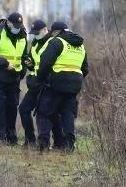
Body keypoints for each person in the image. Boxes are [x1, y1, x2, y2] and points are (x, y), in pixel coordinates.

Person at [35, 21, 89, 152]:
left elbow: (45, 63)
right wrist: (74, 79)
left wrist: (41, 79)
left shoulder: (56, 42)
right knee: (68, 114)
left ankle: (44, 144)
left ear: (56, 32)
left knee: (44, 112)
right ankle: (69, 145)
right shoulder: (80, 46)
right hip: (74, 86)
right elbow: (85, 69)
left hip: (55, 83)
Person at [0, 11, 29, 144]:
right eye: (14, 25)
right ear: (8, 23)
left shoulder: (22, 36)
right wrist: (5, 63)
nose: (17, 28)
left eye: (19, 26)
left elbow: (24, 56)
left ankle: (11, 137)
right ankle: (0, 137)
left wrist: (23, 71)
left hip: (13, 78)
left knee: (12, 106)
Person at [17, 19, 52, 148]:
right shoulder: (35, 44)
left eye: (38, 32)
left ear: (45, 29)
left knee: (45, 113)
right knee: (24, 109)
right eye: (34, 33)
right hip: (35, 83)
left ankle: (47, 143)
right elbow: (33, 63)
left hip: (46, 84)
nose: (36, 35)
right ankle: (30, 140)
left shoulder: (51, 43)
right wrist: (29, 63)